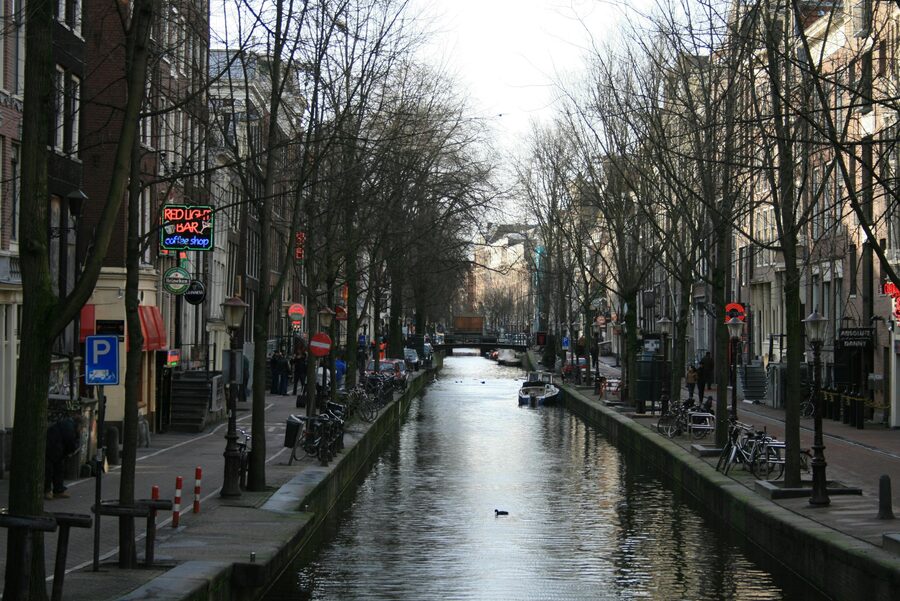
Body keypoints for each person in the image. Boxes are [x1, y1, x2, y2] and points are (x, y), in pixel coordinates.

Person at [45, 416, 82, 500]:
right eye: (81, 427)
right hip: (52, 448)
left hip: (57, 449)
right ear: (79, 424)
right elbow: (70, 442)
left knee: (58, 470)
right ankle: (47, 491)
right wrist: (72, 450)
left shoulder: (69, 425)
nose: (81, 430)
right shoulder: (69, 427)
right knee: (49, 470)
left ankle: (58, 490)